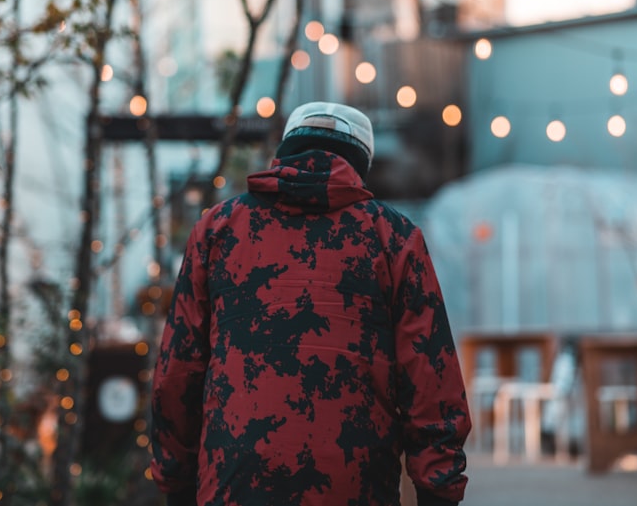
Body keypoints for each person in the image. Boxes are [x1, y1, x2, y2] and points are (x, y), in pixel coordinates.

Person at [150, 101, 471, 506]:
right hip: (355, 484)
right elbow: (429, 375)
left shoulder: (217, 229)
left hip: (235, 481)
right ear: (359, 166)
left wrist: (176, 483)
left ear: (284, 153)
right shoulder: (393, 237)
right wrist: (438, 488)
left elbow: (178, 370)